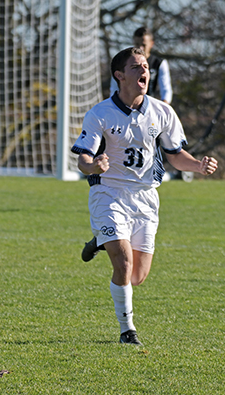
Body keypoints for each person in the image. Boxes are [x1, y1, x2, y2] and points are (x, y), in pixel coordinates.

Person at [72, 47, 217, 345]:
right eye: (136, 67)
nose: (144, 72)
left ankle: (100, 240)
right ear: (120, 75)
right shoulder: (100, 114)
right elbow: (83, 159)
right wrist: (93, 165)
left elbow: (176, 156)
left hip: (145, 198)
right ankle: (128, 330)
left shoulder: (162, 112)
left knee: (136, 276)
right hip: (108, 192)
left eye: (146, 67)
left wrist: (198, 165)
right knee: (122, 263)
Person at [110, 27, 173, 104]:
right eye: (137, 44)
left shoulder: (159, 63)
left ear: (151, 44)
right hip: (126, 106)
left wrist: (162, 109)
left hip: (148, 107)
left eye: (144, 45)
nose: (140, 48)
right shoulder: (122, 61)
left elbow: (166, 90)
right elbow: (114, 89)